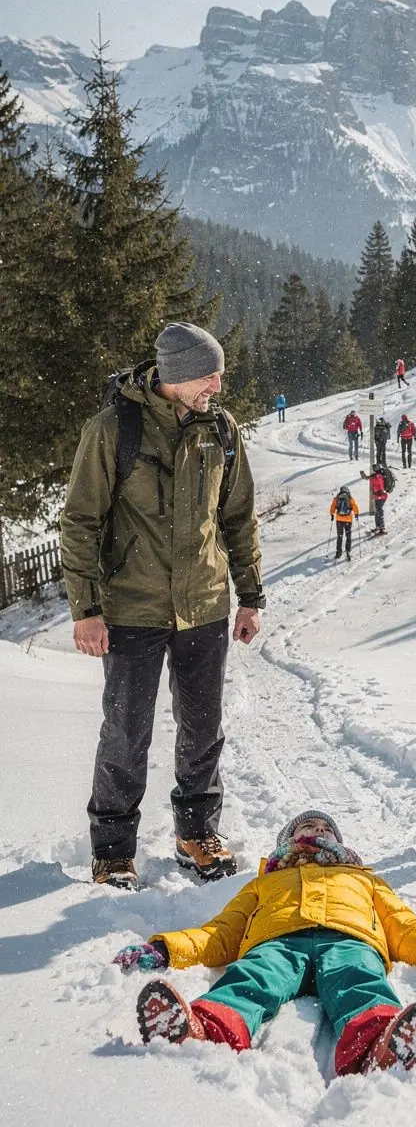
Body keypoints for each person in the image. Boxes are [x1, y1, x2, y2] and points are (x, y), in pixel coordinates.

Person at [60, 322, 265, 891]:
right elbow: (79, 521)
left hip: (203, 604)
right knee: (127, 731)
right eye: (208, 375)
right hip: (132, 608)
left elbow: (238, 518)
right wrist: (86, 609)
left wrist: (249, 597)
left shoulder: (220, 431)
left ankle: (197, 833)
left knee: (203, 729)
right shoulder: (113, 430)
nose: (217, 386)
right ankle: (112, 849)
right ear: (174, 376)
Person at [115, 810, 416, 1073]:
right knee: (251, 978)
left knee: (360, 979)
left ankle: (379, 1044)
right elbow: (221, 932)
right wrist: (164, 949)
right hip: (277, 943)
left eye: (327, 829)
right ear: (287, 840)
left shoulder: (363, 879)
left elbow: (403, 927)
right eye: (308, 827)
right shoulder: (265, 882)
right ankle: (204, 1029)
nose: (318, 832)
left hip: (349, 940)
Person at [330, 485, 359, 561]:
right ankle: (348, 551)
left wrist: (332, 514)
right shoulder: (349, 498)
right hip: (348, 520)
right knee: (348, 536)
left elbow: (332, 507)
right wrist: (356, 514)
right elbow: (354, 506)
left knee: (339, 536)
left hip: (339, 520)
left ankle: (338, 552)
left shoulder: (337, 498)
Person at [361, 465, 388, 535]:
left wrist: (380, 495)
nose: (373, 470)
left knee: (379, 510)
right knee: (377, 511)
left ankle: (382, 527)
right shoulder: (374, 476)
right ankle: (378, 526)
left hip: (382, 496)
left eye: (374, 469)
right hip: (377, 496)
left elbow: (382, 487)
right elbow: (371, 483)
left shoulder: (379, 476)